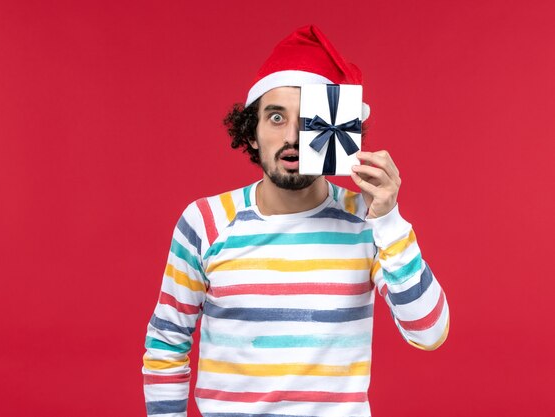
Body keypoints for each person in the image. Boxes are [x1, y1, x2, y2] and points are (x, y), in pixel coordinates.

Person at [142, 25, 449, 417]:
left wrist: (389, 218)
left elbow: (429, 331)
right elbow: (167, 344)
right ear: (251, 133)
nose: (292, 136)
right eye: (275, 117)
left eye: (308, 121)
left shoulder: (367, 221)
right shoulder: (204, 222)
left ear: (337, 128)